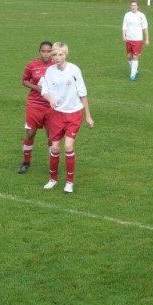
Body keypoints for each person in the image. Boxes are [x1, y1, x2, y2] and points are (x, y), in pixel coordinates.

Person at [39, 42, 93, 193]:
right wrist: (50, 99)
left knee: (68, 146)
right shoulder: (49, 71)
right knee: (55, 148)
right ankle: (53, 179)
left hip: (74, 114)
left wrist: (88, 115)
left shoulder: (74, 70)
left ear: (66, 55)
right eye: (54, 55)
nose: (57, 57)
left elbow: (82, 92)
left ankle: (69, 182)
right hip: (57, 115)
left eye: (60, 54)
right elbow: (44, 90)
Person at [18, 41, 54, 174]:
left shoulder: (56, 66)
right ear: (39, 52)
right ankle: (26, 162)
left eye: (49, 51)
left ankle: (53, 165)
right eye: (43, 51)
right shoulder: (32, 65)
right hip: (34, 103)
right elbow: (24, 80)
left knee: (51, 135)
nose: (46, 54)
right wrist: (36, 87)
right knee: (30, 133)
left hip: (51, 105)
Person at [122, 1, 150, 81]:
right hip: (129, 39)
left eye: (135, 5)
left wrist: (147, 39)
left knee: (135, 56)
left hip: (138, 39)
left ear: (138, 7)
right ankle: (135, 70)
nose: (133, 7)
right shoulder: (127, 15)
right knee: (129, 56)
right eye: (132, 5)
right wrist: (123, 35)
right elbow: (124, 26)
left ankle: (133, 74)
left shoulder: (142, 15)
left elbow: (145, 28)